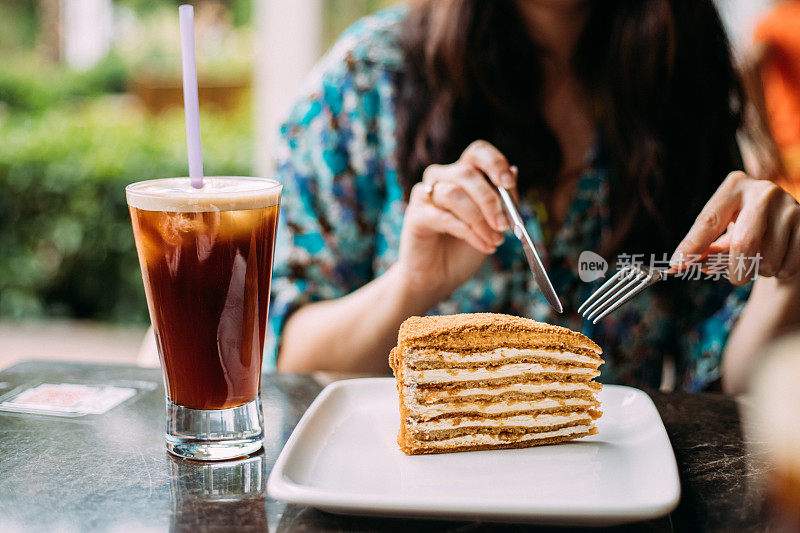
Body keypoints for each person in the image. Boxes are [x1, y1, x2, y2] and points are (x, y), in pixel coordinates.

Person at [267, 0, 800, 394]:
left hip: (616, 499)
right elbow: (289, 362)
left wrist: (786, 278)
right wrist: (410, 286)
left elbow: (725, 378)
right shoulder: (366, 83)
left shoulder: (680, 75)